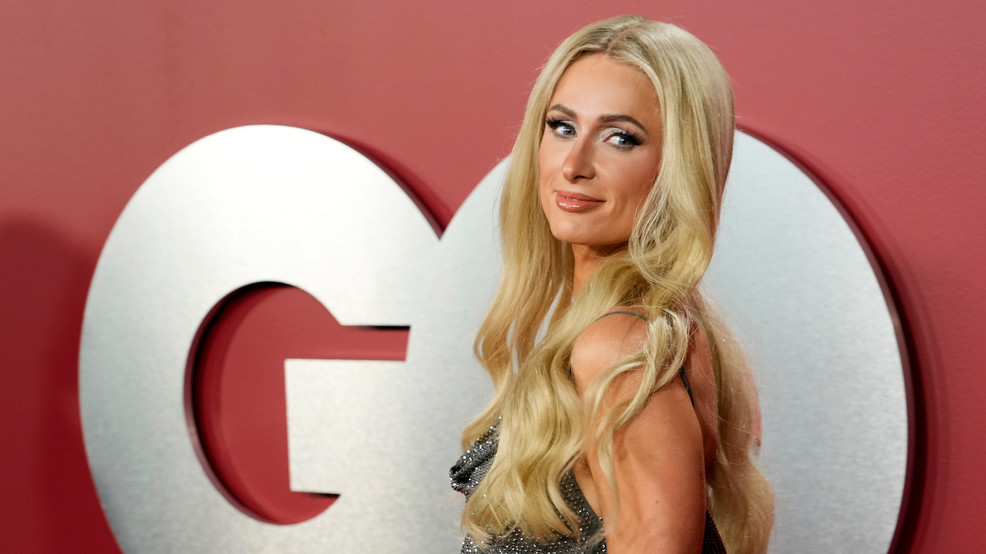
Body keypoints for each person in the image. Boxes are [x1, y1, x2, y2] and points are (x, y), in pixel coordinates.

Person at [450, 15, 774, 553]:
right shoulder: (651, 328)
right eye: (562, 127)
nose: (574, 165)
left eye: (620, 138)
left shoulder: (620, 346)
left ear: (677, 166)